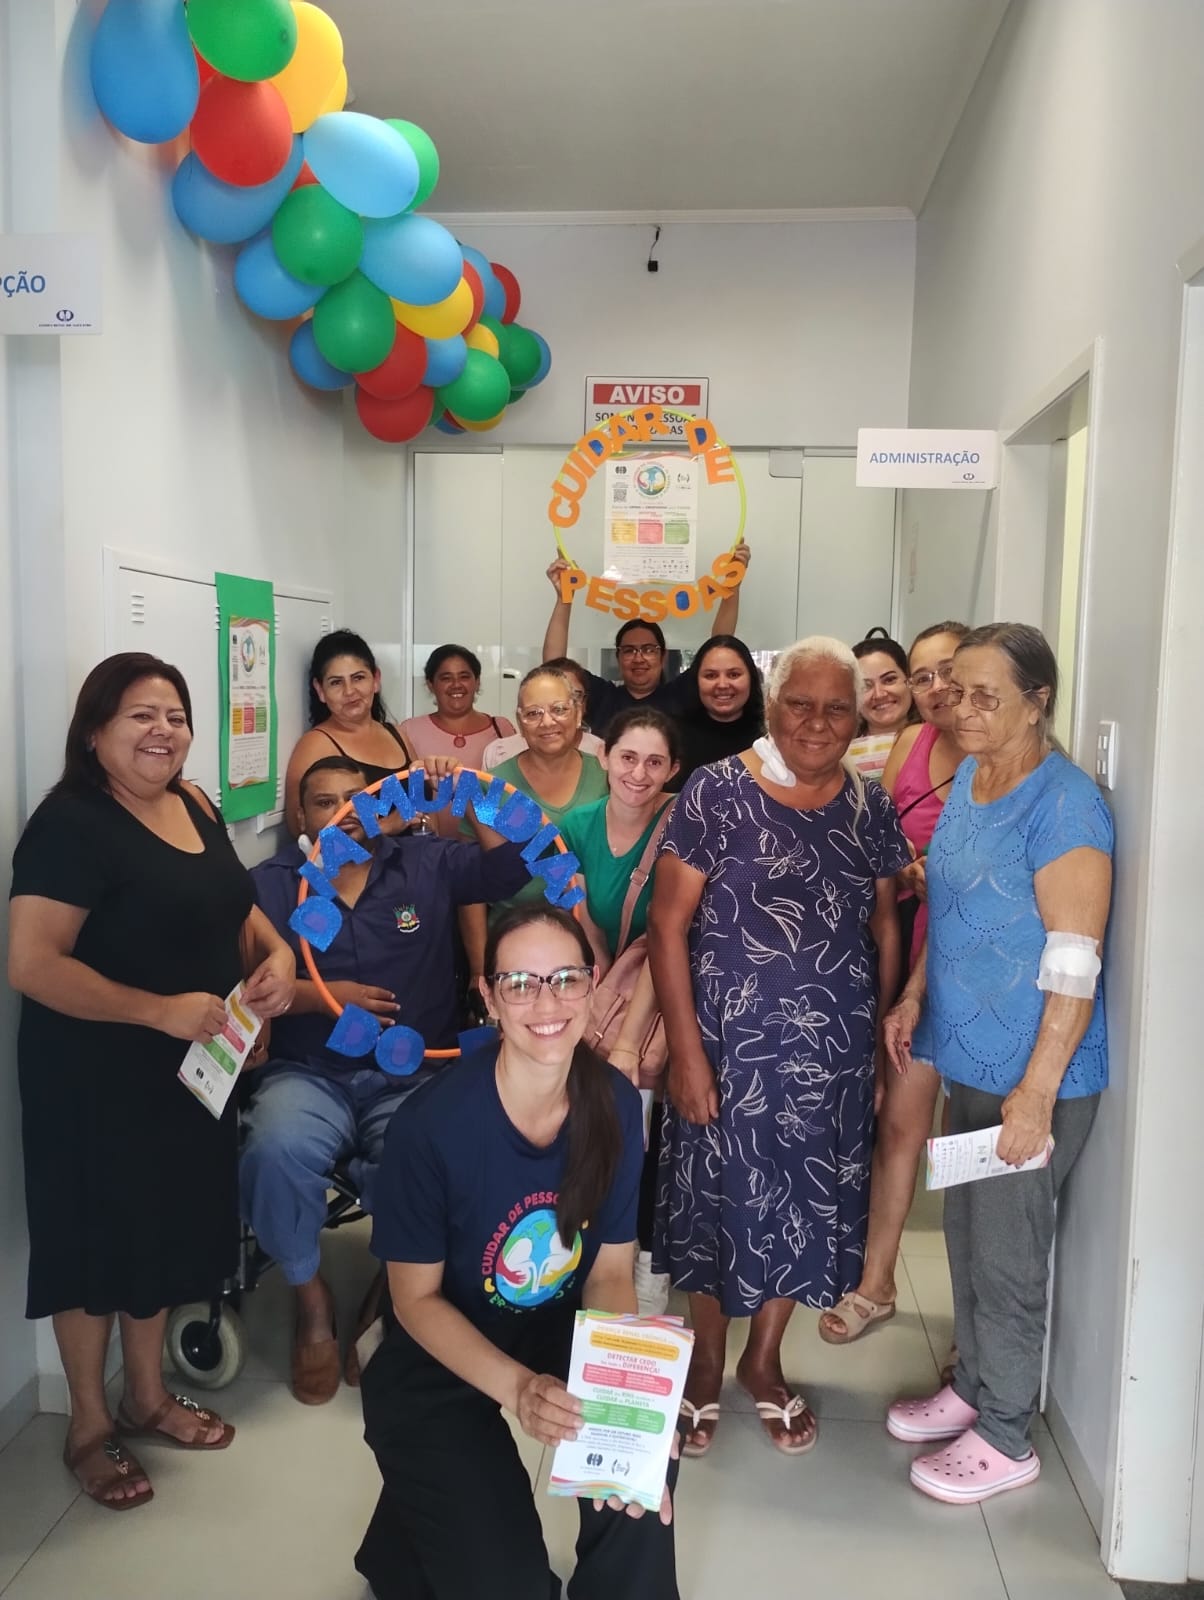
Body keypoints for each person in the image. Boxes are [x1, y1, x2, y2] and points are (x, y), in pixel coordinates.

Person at [8, 653, 296, 1510]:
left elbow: (237, 909)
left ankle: (146, 1395)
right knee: (95, 1245)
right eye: (140, 714)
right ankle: (89, 1424)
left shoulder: (195, 803)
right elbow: (31, 964)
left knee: (163, 1232)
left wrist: (276, 955)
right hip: (92, 1081)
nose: (163, 730)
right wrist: (158, 1011)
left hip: (193, 1073)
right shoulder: (69, 826)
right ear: (94, 731)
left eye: (175, 714)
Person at [355, 905, 681, 1600]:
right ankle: (414, 1528)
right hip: (440, 1350)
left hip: (554, 1326)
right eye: (521, 984)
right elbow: (413, 1300)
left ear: (592, 984)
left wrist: (626, 1405)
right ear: (490, 995)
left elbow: (610, 1270)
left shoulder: (614, 1102)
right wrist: (519, 1390)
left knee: (644, 1472)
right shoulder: (431, 1127)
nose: (548, 1003)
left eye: (566, 979)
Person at [648, 638, 908, 1457]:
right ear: (771, 707)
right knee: (715, 1206)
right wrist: (687, 1053)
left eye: (838, 708)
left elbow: (884, 925)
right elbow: (666, 925)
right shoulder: (715, 792)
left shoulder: (870, 806)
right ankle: (705, 1361)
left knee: (803, 1210)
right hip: (728, 1053)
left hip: (831, 1058)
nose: (818, 723)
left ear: (858, 718)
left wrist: (874, 1048)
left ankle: (762, 1360)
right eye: (801, 703)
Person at [882, 624, 1112, 1505]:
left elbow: (1074, 962)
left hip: (1032, 1074)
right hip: (967, 1056)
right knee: (969, 1238)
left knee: (1011, 1256)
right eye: (953, 691)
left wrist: (1036, 1094)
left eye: (986, 696)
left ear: (1037, 701)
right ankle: (974, 1384)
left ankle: (1007, 1432)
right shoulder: (973, 780)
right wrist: (913, 997)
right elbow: (950, 911)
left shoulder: (1066, 805)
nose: (961, 709)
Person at [243, 754, 530, 1405]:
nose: (346, 812)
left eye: (359, 797)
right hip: (309, 1073)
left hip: (411, 1076)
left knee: (430, 1156)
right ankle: (311, 1301)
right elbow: (244, 983)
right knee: (272, 1148)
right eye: (326, 802)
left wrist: (467, 792)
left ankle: (395, 1285)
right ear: (299, 817)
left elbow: (511, 868)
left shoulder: (427, 861)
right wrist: (324, 998)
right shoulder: (269, 885)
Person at [818, 620, 968, 1346]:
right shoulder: (910, 742)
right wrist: (905, 861)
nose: (935, 688)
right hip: (910, 939)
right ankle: (876, 1284)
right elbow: (879, 830)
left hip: (972, 958)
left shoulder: (1000, 751)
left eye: (949, 672)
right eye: (924, 676)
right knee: (902, 1125)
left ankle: (976, 1329)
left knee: (972, 1145)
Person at [560, 708, 682, 1313]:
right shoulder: (575, 825)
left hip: (666, 994)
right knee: (590, 1130)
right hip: (596, 988)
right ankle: (586, 1258)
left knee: (649, 1135)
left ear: (673, 769)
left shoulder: (683, 823)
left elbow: (669, 936)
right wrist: (597, 986)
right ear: (603, 757)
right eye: (628, 757)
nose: (639, 773)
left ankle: (649, 1263)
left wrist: (629, 1041)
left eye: (655, 762)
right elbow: (577, 918)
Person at [541, 542, 751, 731]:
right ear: (618, 657)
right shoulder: (603, 697)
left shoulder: (680, 695)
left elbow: (719, 648)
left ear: (663, 656)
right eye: (629, 650)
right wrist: (564, 598)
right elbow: (554, 667)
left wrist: (732, 585)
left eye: (649, 649)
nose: (638, 658)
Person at [478, 665, 609, 915]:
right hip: (511, 929)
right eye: (533, 713)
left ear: (578, 714)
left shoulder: (608, 778)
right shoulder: (490, 785)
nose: (547, 722)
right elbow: (471, 881)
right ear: (520, 722)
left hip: (592, 929)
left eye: (559, 710)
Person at [284, 630, 413, 833]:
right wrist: (383, 828)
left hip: (422, 852)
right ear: (320, 690)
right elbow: (302, 832)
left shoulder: (397, 734)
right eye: (336, 682)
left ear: (376, 679)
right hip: (362, 856)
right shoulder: (315, 745)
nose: (349, 691)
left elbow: (426, 803)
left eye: (358, 678)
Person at [668, 633, 765, 790]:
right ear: (696, 681)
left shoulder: (771, 737)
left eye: (734, 674)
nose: (722, 684)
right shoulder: (670, 735)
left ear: (751, 678)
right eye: (711, 675)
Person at [398, 644, 517, 772]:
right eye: (446, 678)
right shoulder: (409, 730)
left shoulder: (501, 728)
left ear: (477, 682)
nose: (456, 685)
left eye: (464, 677)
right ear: (431, 685)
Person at [482, 657, 604, 769]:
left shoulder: (603, 755)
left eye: (560, 707)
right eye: (534, 712)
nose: (547, 721)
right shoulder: (500, 754)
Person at [848, 630, 914, 782]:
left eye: (889, 680)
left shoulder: (937, 741)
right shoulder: (840, 750)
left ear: (909, 680)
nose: (879, 694)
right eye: (866, 686)